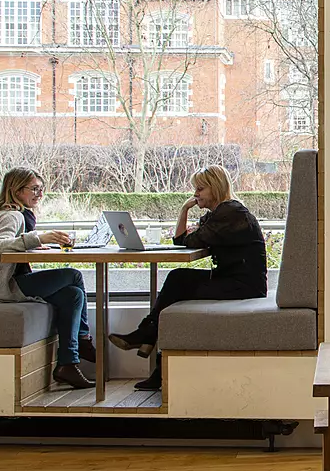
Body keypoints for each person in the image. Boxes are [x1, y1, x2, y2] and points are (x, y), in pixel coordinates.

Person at [110, 165, 267, 390]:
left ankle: (148, 339)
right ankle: (151, 349)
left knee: (178, 281)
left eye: (200, 189)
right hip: (233, 280)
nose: (196, 194)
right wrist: (184, 209)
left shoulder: (231, 213)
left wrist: (185, 211)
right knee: (178, 281)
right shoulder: (220, 214)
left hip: (244, 286)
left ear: (215, 188)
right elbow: (182, 240)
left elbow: (185, 241)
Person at [0, 168, 95, 390]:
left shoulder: (15, 214)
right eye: (34, 189)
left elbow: (12, 248)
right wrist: (35, 238)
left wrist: (35, 243)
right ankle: (83, 339)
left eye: (41, 189)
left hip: (6, 283)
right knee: (73, 275)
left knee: (72, 295)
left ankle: (68, 364)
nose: (40, 194)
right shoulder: (12, 215)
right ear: (16, 190)